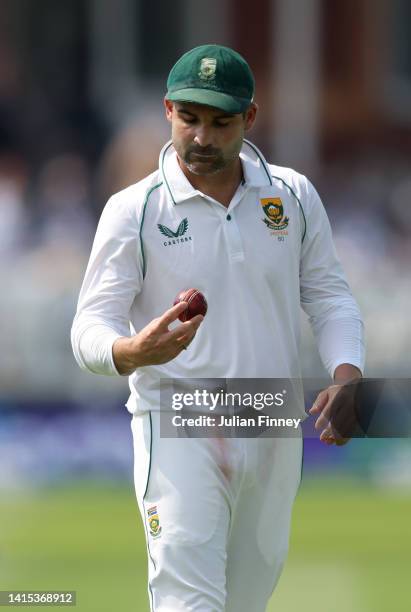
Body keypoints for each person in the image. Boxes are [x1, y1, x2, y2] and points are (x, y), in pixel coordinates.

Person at [71, 44, 365, 612]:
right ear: (167, 111)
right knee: (190, 600)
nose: (202, 137)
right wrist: (131, 350)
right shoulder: (134, 210)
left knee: (244, 602)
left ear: (249, 118)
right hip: (179, 415)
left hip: (272, 416)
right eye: (190, 118)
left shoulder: (293, 196)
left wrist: (348, 375)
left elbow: (329, 296)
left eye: (220, 122)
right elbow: (89, 325)